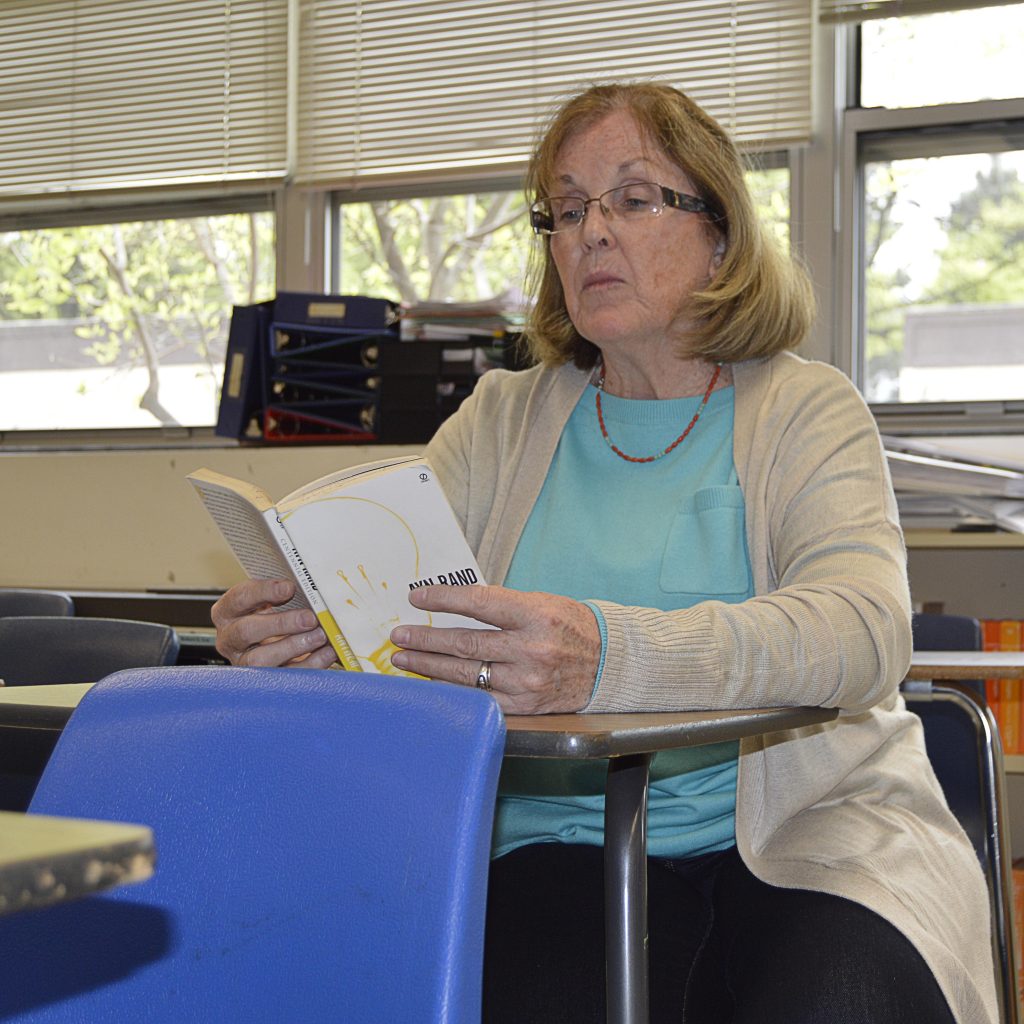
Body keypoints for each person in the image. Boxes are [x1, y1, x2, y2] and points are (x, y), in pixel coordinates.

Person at [211, 82, 996, 1024]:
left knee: (842, 997)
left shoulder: (807, 408)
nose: (591, 232)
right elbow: (405, 617)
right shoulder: (501, 420)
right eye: (569, 208)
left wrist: (610, 656)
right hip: (551, 842)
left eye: (631, 198)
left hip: (814, 835)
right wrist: (306, 636)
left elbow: (864, 632)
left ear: (720, 230)